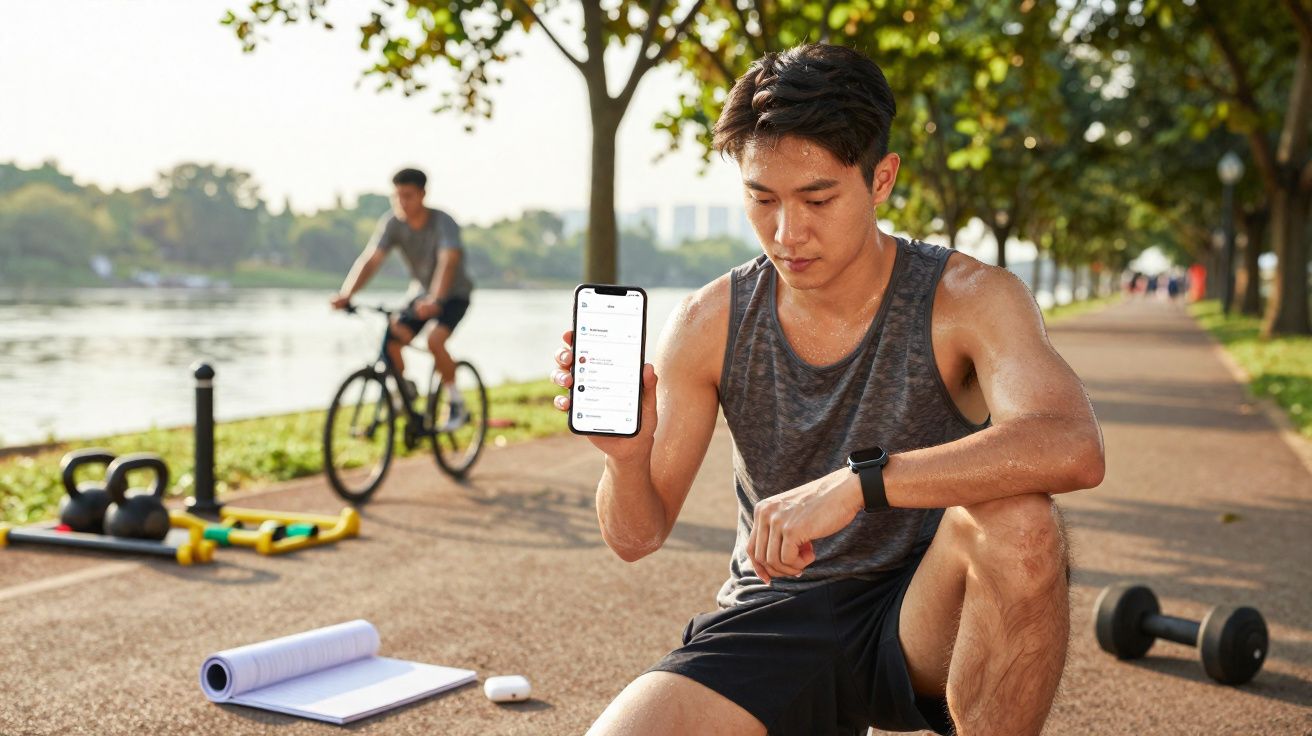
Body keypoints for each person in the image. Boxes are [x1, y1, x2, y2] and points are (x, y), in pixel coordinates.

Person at [549, 44, 1104, 736]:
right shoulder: (708, 321)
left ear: (880, 180)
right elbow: (636, 538)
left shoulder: (970, 298)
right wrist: (625, 460)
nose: (788, 232)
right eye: (762, 199)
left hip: (920, 616)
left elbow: (1073, 444)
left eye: (817, 198)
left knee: (1021, 520)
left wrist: (860, 484)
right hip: (776, 616)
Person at [332, 168, 475, 430]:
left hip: (453, 295)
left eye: (408, 196)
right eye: (396, 196)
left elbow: (448, 260)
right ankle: (405, 391)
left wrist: (436, 299)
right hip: (420, 295)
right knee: (393, 336)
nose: (402, 203)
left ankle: (456, 402)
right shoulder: (393, 223)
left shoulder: (443, 222)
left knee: (434, 340)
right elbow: (372, 258)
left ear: (422, 194)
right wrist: (347, 294)